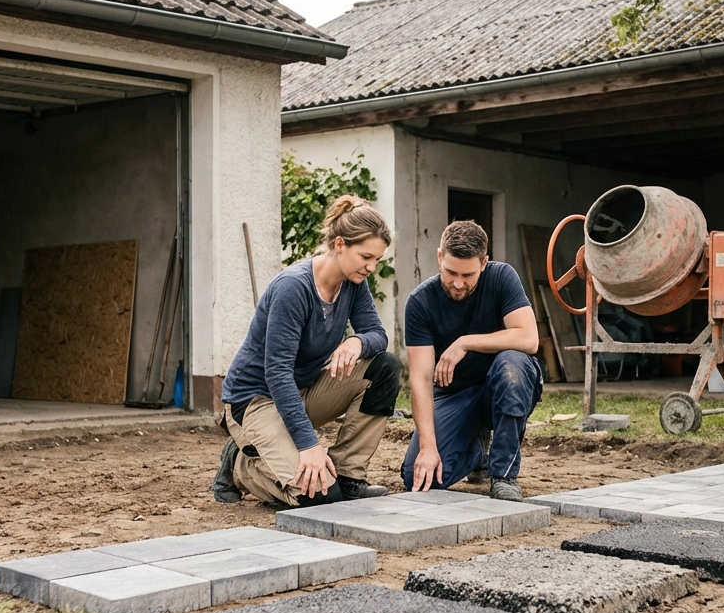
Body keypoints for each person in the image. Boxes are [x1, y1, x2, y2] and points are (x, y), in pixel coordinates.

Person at [212, 195, 401, 507]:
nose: (371, 267)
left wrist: (357, 341)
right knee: (318, 497)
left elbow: (377, 335)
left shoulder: (354, 283)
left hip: (303, 391)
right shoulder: (293, 288)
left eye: (377, 260)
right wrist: (309, 445)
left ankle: (348, 475)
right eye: (366, 256)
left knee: (385, 369)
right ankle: (240, 468)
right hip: (256, 400)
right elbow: (277, 373)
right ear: (340, 244)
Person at [401, 220, 542, 501]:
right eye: (450, 271)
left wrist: (465, 343)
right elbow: (420, 379)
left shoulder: (502, 277)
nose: (457, 283)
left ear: (484, 263)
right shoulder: (420, 303)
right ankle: (477, 450)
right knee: (417, 480)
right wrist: (428, 448)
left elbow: (529, 339)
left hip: (500, 389)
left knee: (512, 364)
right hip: (455, 395)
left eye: (468, 275)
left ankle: (503, 474)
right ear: (440, 256)